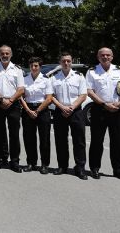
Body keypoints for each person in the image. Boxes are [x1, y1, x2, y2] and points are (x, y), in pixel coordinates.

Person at [86, 47, 120, 181]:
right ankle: (94, 168)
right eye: (102, 55)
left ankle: (119, 171)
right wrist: (104, 104)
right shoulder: (92, 71)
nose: (105, 57)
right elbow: (90, 91)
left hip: (117, 110)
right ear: (98, 57)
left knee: (117, 142)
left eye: (108, 55)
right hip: (99, 110)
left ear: (112, 57)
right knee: (97, 141)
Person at [50, 52, 88, 180]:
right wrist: (62, 107)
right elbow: (51, 96)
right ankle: (62, 166)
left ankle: (80, 167)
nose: (66, 63)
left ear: (71, 62)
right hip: (60, 111)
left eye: (68, 61)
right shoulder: (54, 78)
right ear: (60, 63)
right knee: (60, 140)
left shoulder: (79, 77)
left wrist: (71, 107)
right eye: (63, 61)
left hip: (76, 111)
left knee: (79, 141)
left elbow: (83, 95)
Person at [0, 45, 24, 173]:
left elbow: (21, 89)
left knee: (14, 133)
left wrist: (10, 100)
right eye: (2, 53)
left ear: (11, 54)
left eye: (7, 53)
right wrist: (0, 99)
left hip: (13, 104)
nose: (5, 55)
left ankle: (14, 161)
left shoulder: (17, 70)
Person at [20, 57, 53, 174]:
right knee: (29, 138)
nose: (33, 68)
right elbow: (20, 96)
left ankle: (44, 164)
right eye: (32, 66)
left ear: (40, 67)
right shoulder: (24, 79)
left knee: (44, 139)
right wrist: (28, 110)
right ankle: (31, 163)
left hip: (42, 110)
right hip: (27, 109)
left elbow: (49, 98)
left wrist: (38, 111)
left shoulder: (46, 80)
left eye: (36, 66)